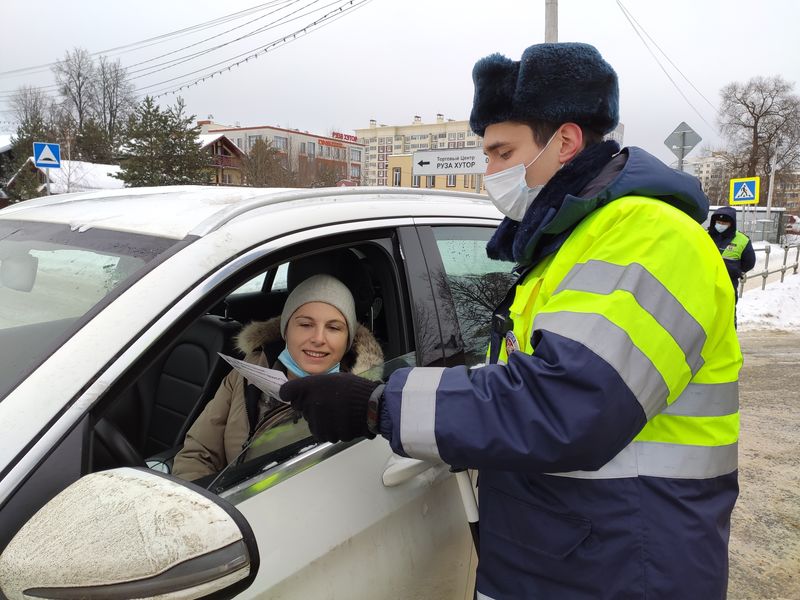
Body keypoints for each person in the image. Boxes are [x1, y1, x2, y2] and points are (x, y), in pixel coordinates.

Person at [281, 43, 742, 599]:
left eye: (502, 153)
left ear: (566, 142)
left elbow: (565, 406)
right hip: (567, 554)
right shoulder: (568, 244)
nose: (491, 173)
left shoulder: (649, 238)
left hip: (624, 566)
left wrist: (379, 404)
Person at [172, 274, 383, 481]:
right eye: (305, 324)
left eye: (334, 328)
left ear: (347, 339)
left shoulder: (359, 402)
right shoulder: (245, 373)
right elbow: (197, 452)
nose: (318, 339)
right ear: (285, 330)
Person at [708, 206, 756, 307]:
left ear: (731, 224)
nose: (720, 225)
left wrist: (734, 271)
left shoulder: (742, 240)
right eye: (718, 222)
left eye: (724, 223)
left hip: (728, 283)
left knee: (727, 313)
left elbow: (749, 263)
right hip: (705, 283)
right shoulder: (705, 235)